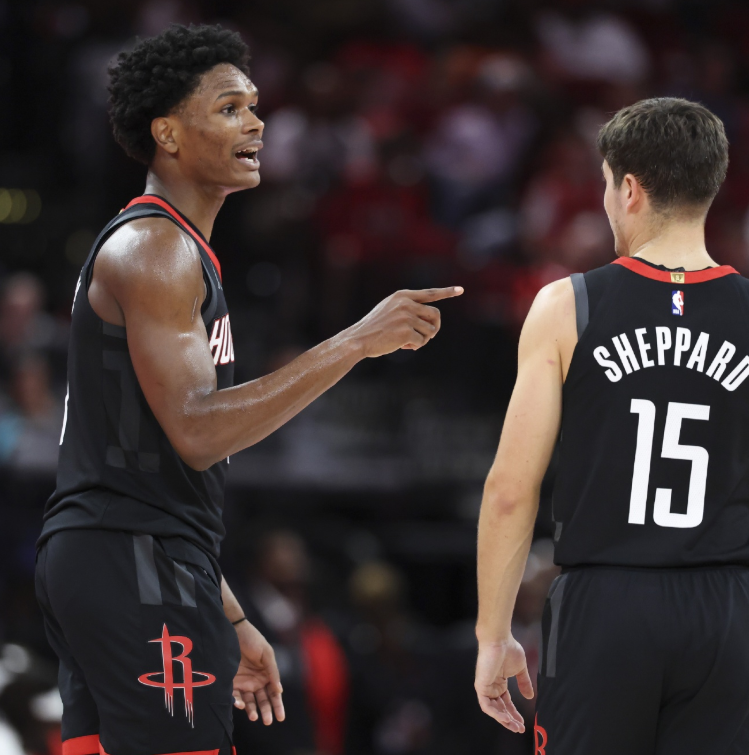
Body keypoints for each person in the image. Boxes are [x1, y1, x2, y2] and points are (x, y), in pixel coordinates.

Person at [34, 23, 461, 755]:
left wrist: (226, 612)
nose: (256, 123)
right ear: (168, 133)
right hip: (129, 559)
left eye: (255, 107)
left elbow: (157, 478)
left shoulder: (175, 249)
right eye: (230, 108)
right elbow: (198, 432)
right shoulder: (157, 249)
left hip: (126, 554)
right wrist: (356, 341)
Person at [473, 97, 749, 754]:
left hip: (605, 601)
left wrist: (494, 634)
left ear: (628, 189)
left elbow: (510, 491)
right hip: (728, 610)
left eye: (606, 185)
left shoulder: (566, 307)